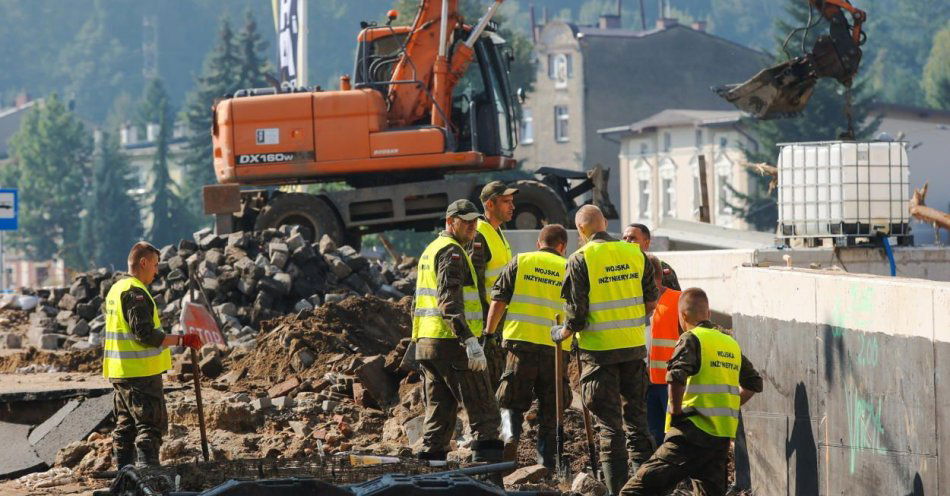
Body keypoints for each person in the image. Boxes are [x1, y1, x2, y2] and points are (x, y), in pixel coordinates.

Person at [551, 205, 659, 495]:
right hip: (634, 351)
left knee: (610, 427)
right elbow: (651, 302)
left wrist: (561, 333)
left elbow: (576, 316)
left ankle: (617, 490)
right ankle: (643, 490)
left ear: (581, 231)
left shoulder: (580, 258)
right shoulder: (636, 254)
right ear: (605, 224)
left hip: (598, 355)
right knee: (637, 423)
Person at [620, 288, 763, 496]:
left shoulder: (691, 338)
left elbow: (675, 377)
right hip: (719, 440)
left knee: (633, 491)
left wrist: (676, 413)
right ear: (709, 314)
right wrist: (725, 405)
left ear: (682, 316)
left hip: (689, 435)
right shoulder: (730, 344)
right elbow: (754, 383)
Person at [412, 199, 503, 465]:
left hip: (430, 344)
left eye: (475, 221)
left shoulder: (431, 249)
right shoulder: (451, 252)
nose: (472, 226)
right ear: (450, 222)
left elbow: (418, 300)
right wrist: (469, 340)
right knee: (485, 414)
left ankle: (431, 479)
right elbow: (448, 301)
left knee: (439, 417)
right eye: (466, 222)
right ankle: (488, 481)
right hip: (452, 343)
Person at [104, 242, 203, 468]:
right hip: (141, 374)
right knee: (149, 428)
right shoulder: (134, 293)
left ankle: (126, 480)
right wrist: (182, 340)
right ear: (143, 262)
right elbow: (145, 335)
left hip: (121, 373)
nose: (157, 271)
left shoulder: (116, 289)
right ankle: (149, 478)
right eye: (155, 265)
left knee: (126, 428)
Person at [484, 224, 571, 468]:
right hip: (556, 349)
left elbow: (498, 300)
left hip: (521, 345)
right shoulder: (569, 267)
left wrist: (489, 334)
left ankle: (510, 436)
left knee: (511, 399)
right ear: (563, 246)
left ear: (538, 244)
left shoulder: (520, 261)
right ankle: (547, 463)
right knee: (552, 408)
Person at [470, 180, 518, 390]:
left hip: (498, 317)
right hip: (487, 320)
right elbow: (474, 282)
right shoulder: (480, 234)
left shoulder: (498, 232)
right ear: (490, 205)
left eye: (512, 201)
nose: (512, 206)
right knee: (491, 378)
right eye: (506, 201)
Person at [644, 254, 681, 448]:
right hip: (645, 383)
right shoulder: (635, 303)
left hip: (670, 384)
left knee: (673, 437)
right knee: (653, 437)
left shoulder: (678, 300)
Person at [622, 223, 680, 291]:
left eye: (632, 238)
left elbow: (675, 297)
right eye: (624, 238)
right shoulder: (618, 267)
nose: (627, 242)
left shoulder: (661, 268)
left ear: (646, 243)